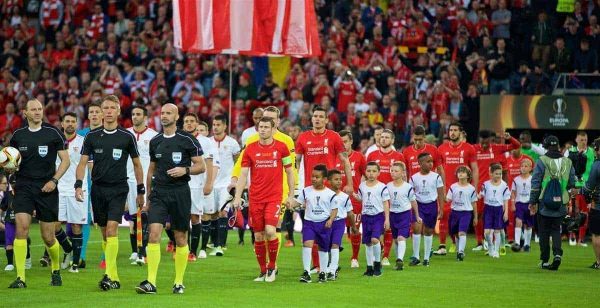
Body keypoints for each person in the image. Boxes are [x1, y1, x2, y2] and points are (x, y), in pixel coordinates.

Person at [75, 95, 145, 290]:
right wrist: (78, 184)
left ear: (118, 111)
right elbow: (82, 163)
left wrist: (140, 190)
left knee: (113, 229)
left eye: (111, 108)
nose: (107, 111)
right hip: (97, 189)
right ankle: (114, 277)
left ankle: (109, 275)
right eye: (104, 108)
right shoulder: (91, 137)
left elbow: (137, 165)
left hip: (118, 188)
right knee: (105, 234)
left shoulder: (126, 136)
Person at [135, 103, 206, 295]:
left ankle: (179, 282)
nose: (164, 116)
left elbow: (201, 166)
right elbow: (151, 169)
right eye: (162, 113)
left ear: (176, 117)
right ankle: (150, 282)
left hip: (180, 192)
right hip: (159, 192)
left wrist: (186, 170)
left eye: (168, 113)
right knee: (154, 234)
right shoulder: (155, 141)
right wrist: (147, 196)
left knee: (180, 237)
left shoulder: (187, 139)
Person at [8, 98, 70, 289]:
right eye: (33, 109)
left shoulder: (53, 133)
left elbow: (65, 161)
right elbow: (12, 161)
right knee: (22, 229)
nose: (37, 112)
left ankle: (55, 269)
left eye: (40, 109)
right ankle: (20, 278)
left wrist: (54, 180)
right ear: (25, 113)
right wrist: (10, 170)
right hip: (24, 187)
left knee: (48, 236)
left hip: (47, 188)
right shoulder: (18, 136)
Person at [231, 106, 297, 265]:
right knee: (259, 233)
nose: (268, 122)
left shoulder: (286, 141)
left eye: (272, 119)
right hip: (258, 192)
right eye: (265, 119)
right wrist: (234, 178)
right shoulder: (252, 141)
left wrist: (292, 192)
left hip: (280, 190)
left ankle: (272, 263)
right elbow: (242, 163)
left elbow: (291, 168)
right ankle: (265, 263)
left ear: (277, 122)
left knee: (275, 227)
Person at [295, 106, 353, 271]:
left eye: (321, 116)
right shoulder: (303, 137)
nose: (318, 119)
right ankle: (318, 265)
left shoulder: (334, 137)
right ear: (311, 119)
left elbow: (345, 160)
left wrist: (349, 184)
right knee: (311, 226)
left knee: (328, 227)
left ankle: (328, 262)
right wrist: (296, 187)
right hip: (310, 190)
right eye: (315, 116)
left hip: (330, 191)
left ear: (326, 120)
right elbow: (296, 162)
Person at [529, 135, 577, 271]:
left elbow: (536, 183)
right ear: (558, 146)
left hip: (544, 201)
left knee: (544, 231)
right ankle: (557, 254)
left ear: (545, 146)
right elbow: (572, 183)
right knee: (556, 229)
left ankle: (544, 260)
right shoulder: (568, 161)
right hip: (561, 202)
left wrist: (532, 200)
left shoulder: (541, 161)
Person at [474, 130, 520, 249]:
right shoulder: (474, 148)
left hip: (494, 188)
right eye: (482, 142)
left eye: (486, 142)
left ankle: (494, 242)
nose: (484, 145)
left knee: (494, 214)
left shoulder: (497, 148)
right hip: (479, 188)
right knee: (478, 215)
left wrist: (510, 138)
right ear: (479, 140)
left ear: (490, 140)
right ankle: (479, 242)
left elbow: (516, 146)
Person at [293, 165, 338, 283]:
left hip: (324, 224)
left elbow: (334, 209)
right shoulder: (306, 191)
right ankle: (306, 272)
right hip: (309, 223)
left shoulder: (330, 194)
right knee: (307, 244)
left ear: (324, 179)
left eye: (317, 177)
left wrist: (330, 220)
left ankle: (323, 272)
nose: (313, 179)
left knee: (323, 248)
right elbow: (297, 203)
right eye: (312, 176)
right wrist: (289, 203)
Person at [182, 113, 219, 261]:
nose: (189, 124)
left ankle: (193, 251)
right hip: (181, 183)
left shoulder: (205, 141)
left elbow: (209, 163)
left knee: (195, 217)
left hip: (197, 185)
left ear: (197, 124)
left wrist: (209, 183)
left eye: (192, 121)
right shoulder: (179, 138)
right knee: (181, 218)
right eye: (186, 121)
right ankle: (183, 248)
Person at [57, 113, 90, 273]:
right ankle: (68, 248)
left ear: (77, 124)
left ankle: (75, 264)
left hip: (78, 188)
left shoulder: (84, 142)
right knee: (54, 226)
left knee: (76, 225)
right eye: (67, 121)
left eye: (73, 121)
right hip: (58, 188)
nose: (70, 124)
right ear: (62, 124)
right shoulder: (55, 140)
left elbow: (88, 165)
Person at [438, 122, 478, 254]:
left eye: (455, 130)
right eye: (451, 130)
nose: (452, 133)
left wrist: (475, 187)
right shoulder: (442, 148)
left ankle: (457, 245)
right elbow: (439, 169)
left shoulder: (469, 148)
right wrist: (440, 188)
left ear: (461, 132)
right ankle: (443, 245)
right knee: (444, 217)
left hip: (463, 189)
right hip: (446, 188)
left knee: (460, 219)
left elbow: (474, 169)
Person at [126, 106, 158, 265]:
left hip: (146, 180)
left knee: (144, 215)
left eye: (138, 114)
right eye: (133, 114)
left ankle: (142, 252)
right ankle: (135, 250)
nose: (135, 117)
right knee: (133, 217)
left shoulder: (153, 136)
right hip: (129, 180)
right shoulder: (125, 133)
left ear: (145, 117)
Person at [208, 115, 241, 256]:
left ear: (225, 126)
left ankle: (220, 246)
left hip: (226, 184)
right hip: (211, 182)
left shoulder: (232, 143)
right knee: (213, 214)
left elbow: (238, 161)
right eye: (214, 124)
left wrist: (235, 181)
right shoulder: (208, 142)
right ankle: (214, 243)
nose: (215, 127)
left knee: (223, 212)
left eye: (218, 124)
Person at [76, 101, 103, 269]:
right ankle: (81, 256)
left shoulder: (109, 133)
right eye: (91, 111)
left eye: (96, 111)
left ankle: (105, 257)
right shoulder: (81, 135)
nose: (93, 114)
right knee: (83, 219)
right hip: (85, 182)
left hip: (103, 182)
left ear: (102, 115)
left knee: (104, 221)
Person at [353, 162, 391, 277]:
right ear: (365, 172)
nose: (371, 173)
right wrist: (354, 195)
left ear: (378, 173)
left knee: (375, 239)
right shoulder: (362, 186)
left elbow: (385, 203)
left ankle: (377, 265)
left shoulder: (382, 186)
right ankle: (369, 268)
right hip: (366, 217)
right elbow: (360, 198)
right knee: (368, 242)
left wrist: (387, 219)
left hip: (378, 216)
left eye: (374, 171)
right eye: (369, 171)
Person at [335, 130, 366, 268]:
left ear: (351, 141)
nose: (343, 144)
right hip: (335, 200)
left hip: (353, 199)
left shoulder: (359, 157)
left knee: (354, 228)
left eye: (345, 141)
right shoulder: (334, 157)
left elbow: (368, 176)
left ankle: (354, 258)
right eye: (340, 142)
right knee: (336, 228)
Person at [409, 153, 444, 267]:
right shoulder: (414, 178)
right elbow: (411, 195)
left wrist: (441, 209)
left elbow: (440, 194)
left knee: (428, 231)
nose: (431, 164)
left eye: (431, 161)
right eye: (428, 162)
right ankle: (416, 257)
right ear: (420, 163)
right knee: (417, 229)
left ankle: (426, 258)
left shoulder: (436, 177)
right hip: (418, 206)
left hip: (431, 206)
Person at [387, 161, 420, 270]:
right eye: (392, 170)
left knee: (401, 238)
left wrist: (417, 216)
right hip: (393, 215)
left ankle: (400, 259)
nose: (393, 173)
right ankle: (398, 261)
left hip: (405, 215)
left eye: (396, 171)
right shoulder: (388, 186)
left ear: (402, 173)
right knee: (396, 239)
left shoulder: (407, 187)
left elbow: (413, 202)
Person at [565, 131, 595, 247]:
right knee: (573, 212)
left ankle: (581, 239)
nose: (583, 142)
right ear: (576, 140)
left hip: (587, 187)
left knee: (585, 214)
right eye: (581, 140)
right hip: (573, 186)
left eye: (585, 140)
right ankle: (572, 236)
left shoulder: (592, 152)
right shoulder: (570, 151)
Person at [327, 169, 356, 280]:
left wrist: (353, 226)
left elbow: (350, 213)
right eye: (336, 179)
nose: (339, 182)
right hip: (326, 223)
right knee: (326, 246)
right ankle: (329, 267)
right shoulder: (325, 194)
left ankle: (332, 271)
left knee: (335, 245)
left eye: (340, 179)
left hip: (339, 223)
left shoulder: (345, 197)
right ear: (329, 181)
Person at [446, 166, 478, 261]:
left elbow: (474, 203)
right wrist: (440, 195)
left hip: (466, 213)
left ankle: (460, 252)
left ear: (468, 175)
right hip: (454, 213)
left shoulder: (471, 188)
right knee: (455, 233)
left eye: (463, 172)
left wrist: (475, 217)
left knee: (462, 232)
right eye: (459, 172)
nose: (460, 174)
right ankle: (458, 250)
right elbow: (448, 199)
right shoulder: (453, 186)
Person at [479, 163, 510, 258]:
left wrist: (506, 212)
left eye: (500, 174)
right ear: (491, 174)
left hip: (498, 209)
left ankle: (496, 251)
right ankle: (490, 247)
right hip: (488, 209)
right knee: (487, 232)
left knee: (497, 231)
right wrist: (474, 196)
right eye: (496, 173)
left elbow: (506, 199)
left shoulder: (504, 186)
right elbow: (480, 195)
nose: (498, 176)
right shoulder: (486, 184)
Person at [581, 137, 600, 269]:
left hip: (598, 205)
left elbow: (588, 187)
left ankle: (599, 262)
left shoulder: (597, 164)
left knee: (597, 234)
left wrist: (582, 192)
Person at [511, 159, 533, 252]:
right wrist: (512, 203)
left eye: (526, 166)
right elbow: (513, 193)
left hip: (529, 203)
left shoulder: (532, 179)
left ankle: (527, 244)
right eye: (522, 166)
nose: (523, 168)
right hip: (519, 203)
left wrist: (534, 205)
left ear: (530, 168)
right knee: (518, 222)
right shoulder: (516, 180)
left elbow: (535, 192)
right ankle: (517, 243)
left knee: (528, 225)